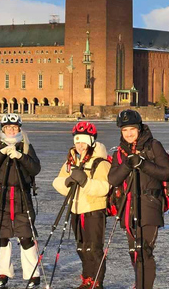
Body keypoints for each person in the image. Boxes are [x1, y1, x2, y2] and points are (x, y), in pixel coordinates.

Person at [107, 109, 169, 289]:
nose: (129, 134)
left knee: (145, 251)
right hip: (128, 207)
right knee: (133, 251)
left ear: (139, 129)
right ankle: (139, 283)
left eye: (132, 129)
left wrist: (143, 164)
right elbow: (113, 179)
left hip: (150, 204)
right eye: (125, 130)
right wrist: (127, 165)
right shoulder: (119, 152)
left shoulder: (153, 146)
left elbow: (166, 172)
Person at [0, 114, 42, 288]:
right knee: (1, 235)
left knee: (26, 236)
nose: (11, 130)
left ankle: (33, 273)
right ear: (2, 129)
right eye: (8, 127)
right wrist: (1, 153)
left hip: (21, 195)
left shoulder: (26, 145)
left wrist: (20, 156)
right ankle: (3, 272)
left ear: (19, 128)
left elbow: (35, 168)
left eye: (14, 127)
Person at [52, 121, 111, 289]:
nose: (80, 145)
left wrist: (85, 181)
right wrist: (68, 181)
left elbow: (104, 187)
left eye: (84, 141)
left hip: (93, 210)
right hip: (75, 209)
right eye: (77, 141)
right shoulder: (71, 161)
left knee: (94, 249)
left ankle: (97, 281)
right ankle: (87, 278)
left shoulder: (100, 162)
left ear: (91, 142)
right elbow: (57, 182)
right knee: (81, 248)